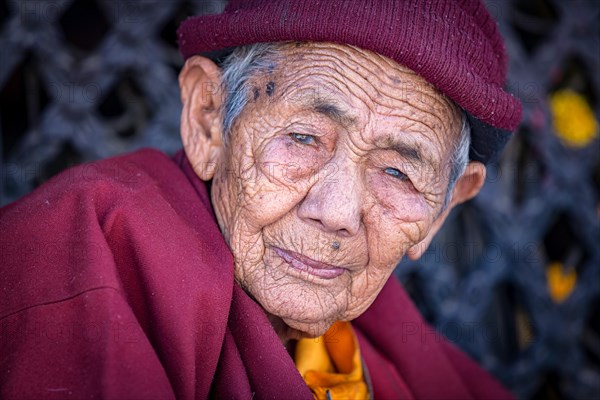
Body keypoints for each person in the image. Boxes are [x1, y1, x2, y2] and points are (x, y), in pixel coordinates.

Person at [0, 0, 521, 398]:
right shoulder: (76, 259)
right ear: (209, 119)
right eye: (302, 138)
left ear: (441, 210)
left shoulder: (398, 357)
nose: (337, 213)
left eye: (396, 172)